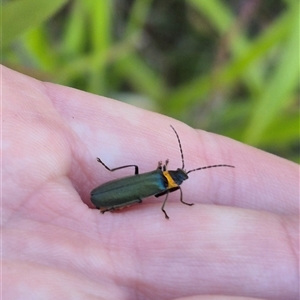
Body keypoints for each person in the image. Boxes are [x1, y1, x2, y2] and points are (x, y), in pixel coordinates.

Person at [2, 65, 299, 299]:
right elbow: (168, 195)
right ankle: (108, 204)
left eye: (177, 182)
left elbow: (167, 191)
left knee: (136, 190)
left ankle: (109, 205)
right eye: (177, 180)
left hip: (122, 190)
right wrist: (169, 204)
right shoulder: (164, 185)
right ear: (174, 180)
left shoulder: (161, 180)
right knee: (138, 194)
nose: (177, 182)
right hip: (116, 191)